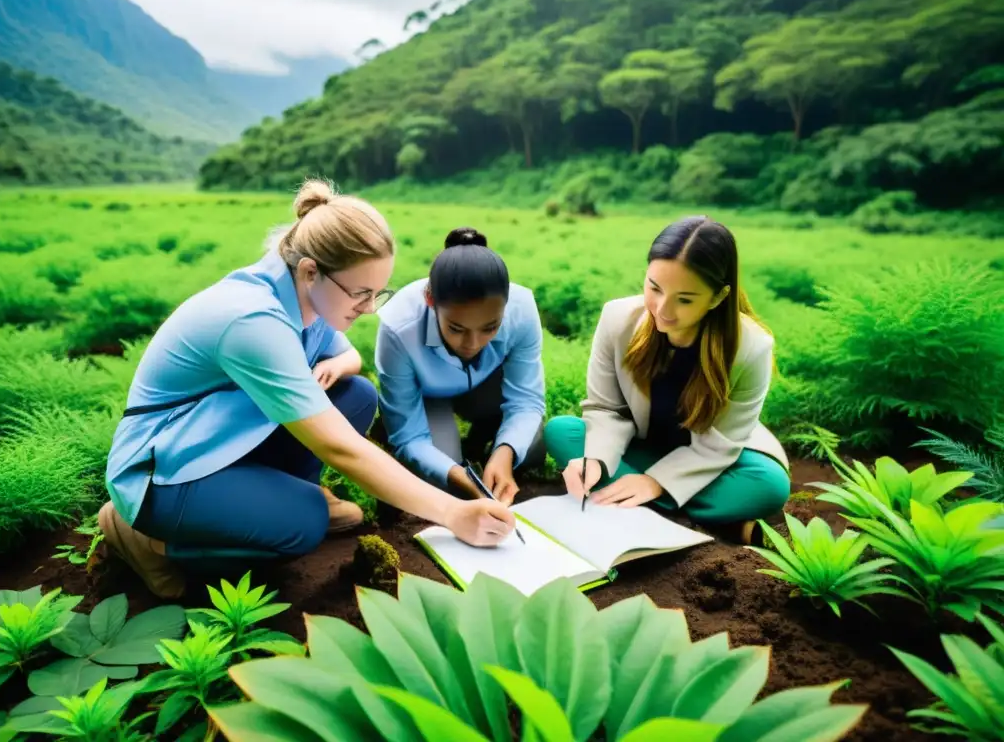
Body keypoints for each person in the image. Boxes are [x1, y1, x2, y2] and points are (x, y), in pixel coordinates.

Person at [99, 180, 517, 599]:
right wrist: (452, 512)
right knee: (303, 526)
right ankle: (151, 541)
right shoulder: (252, 322)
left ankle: (284, 495)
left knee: (355, 396)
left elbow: (345, 366)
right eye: (361, 293)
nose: (370, 308)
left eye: (378, 292)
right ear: (310, 270)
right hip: (164, 470)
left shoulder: (307, 296)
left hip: (217, 432)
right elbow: (342, 449)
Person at [544, 216, 790, 542]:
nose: (662, 309)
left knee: (769, 485)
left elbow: (722, 443)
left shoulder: (751, 347)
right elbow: (605, 409)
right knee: (562, 432)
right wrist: (598, 462)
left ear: (717, 298)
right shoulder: (618, 319)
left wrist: (656, 482)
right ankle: (712, 522)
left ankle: (639, 505)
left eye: (685, 299)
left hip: (707, 461)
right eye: (654, 288)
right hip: (640, 448)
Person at [373, 228, 546, 506]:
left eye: (491, 327)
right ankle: (390, 426)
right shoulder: (398, 326)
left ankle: (485, 444)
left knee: (533, 447)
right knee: (438, 474)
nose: (472, 343)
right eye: (456, 328)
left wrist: (505, 454)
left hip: (485, 389)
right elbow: (409, 436)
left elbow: (526, 401)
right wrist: (455, 474)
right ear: (431, 300)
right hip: (429, 397)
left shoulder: (521, 308)